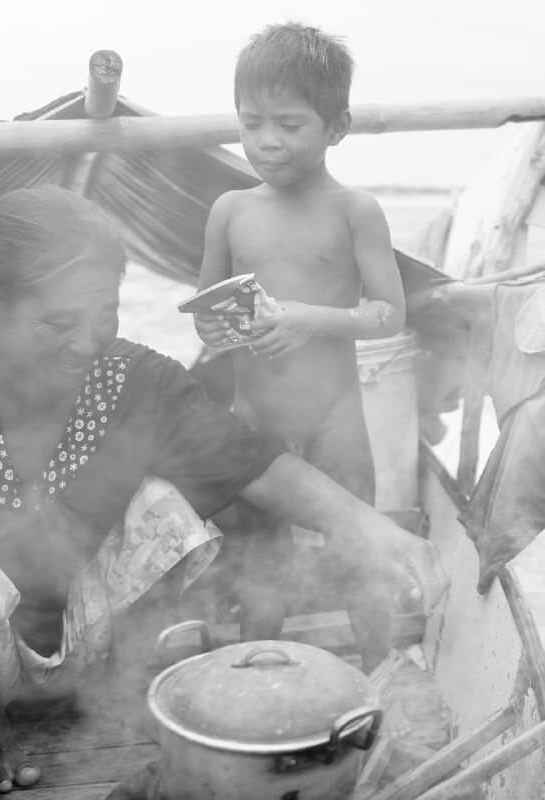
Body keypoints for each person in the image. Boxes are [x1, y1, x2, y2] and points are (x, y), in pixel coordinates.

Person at [0, 185, 440, 794]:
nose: (87, 343)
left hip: (90, 651)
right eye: (58, 323)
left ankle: (127, 694)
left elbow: (254, 464)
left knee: (161, 502)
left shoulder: (135, 376)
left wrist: (373, 530)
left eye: (105, 315)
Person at [193, 23, 407, 668]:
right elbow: (207, 314)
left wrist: (312, 319)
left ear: (337, 127)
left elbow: (389, 314)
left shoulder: (354, 210)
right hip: (256, 421)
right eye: (251, 122)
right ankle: (257, 677)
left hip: (334, 420)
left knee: (359, 554)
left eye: (290, 124)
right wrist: (214, 329)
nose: (268, 140)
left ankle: (384, 673)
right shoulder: (230, 210)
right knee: (261, 567)